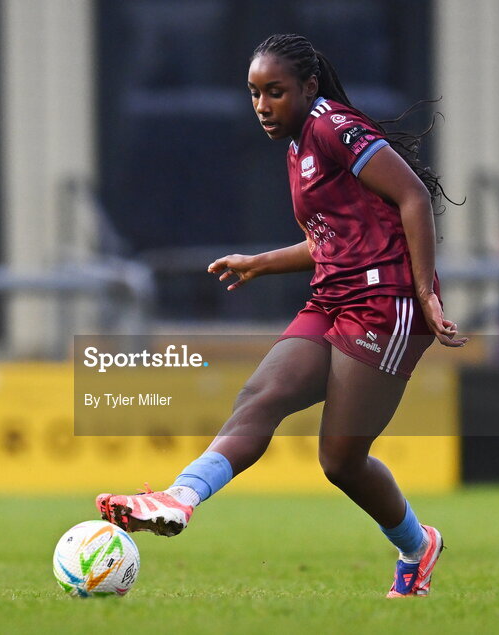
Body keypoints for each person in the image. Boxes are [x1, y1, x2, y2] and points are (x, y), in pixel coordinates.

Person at [95, 34, 467, 598]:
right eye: (253, 94)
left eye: (275, 92)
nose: (263, 105)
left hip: (385, 303)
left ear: (308, 87)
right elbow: (332, 239)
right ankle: (179, 497)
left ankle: (418, 546)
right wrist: (263, 262)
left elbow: (413, 196)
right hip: (333, 298)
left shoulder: (332, 126)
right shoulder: (297, 147)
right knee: (258, 397)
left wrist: (426, 293)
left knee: (340, 461)